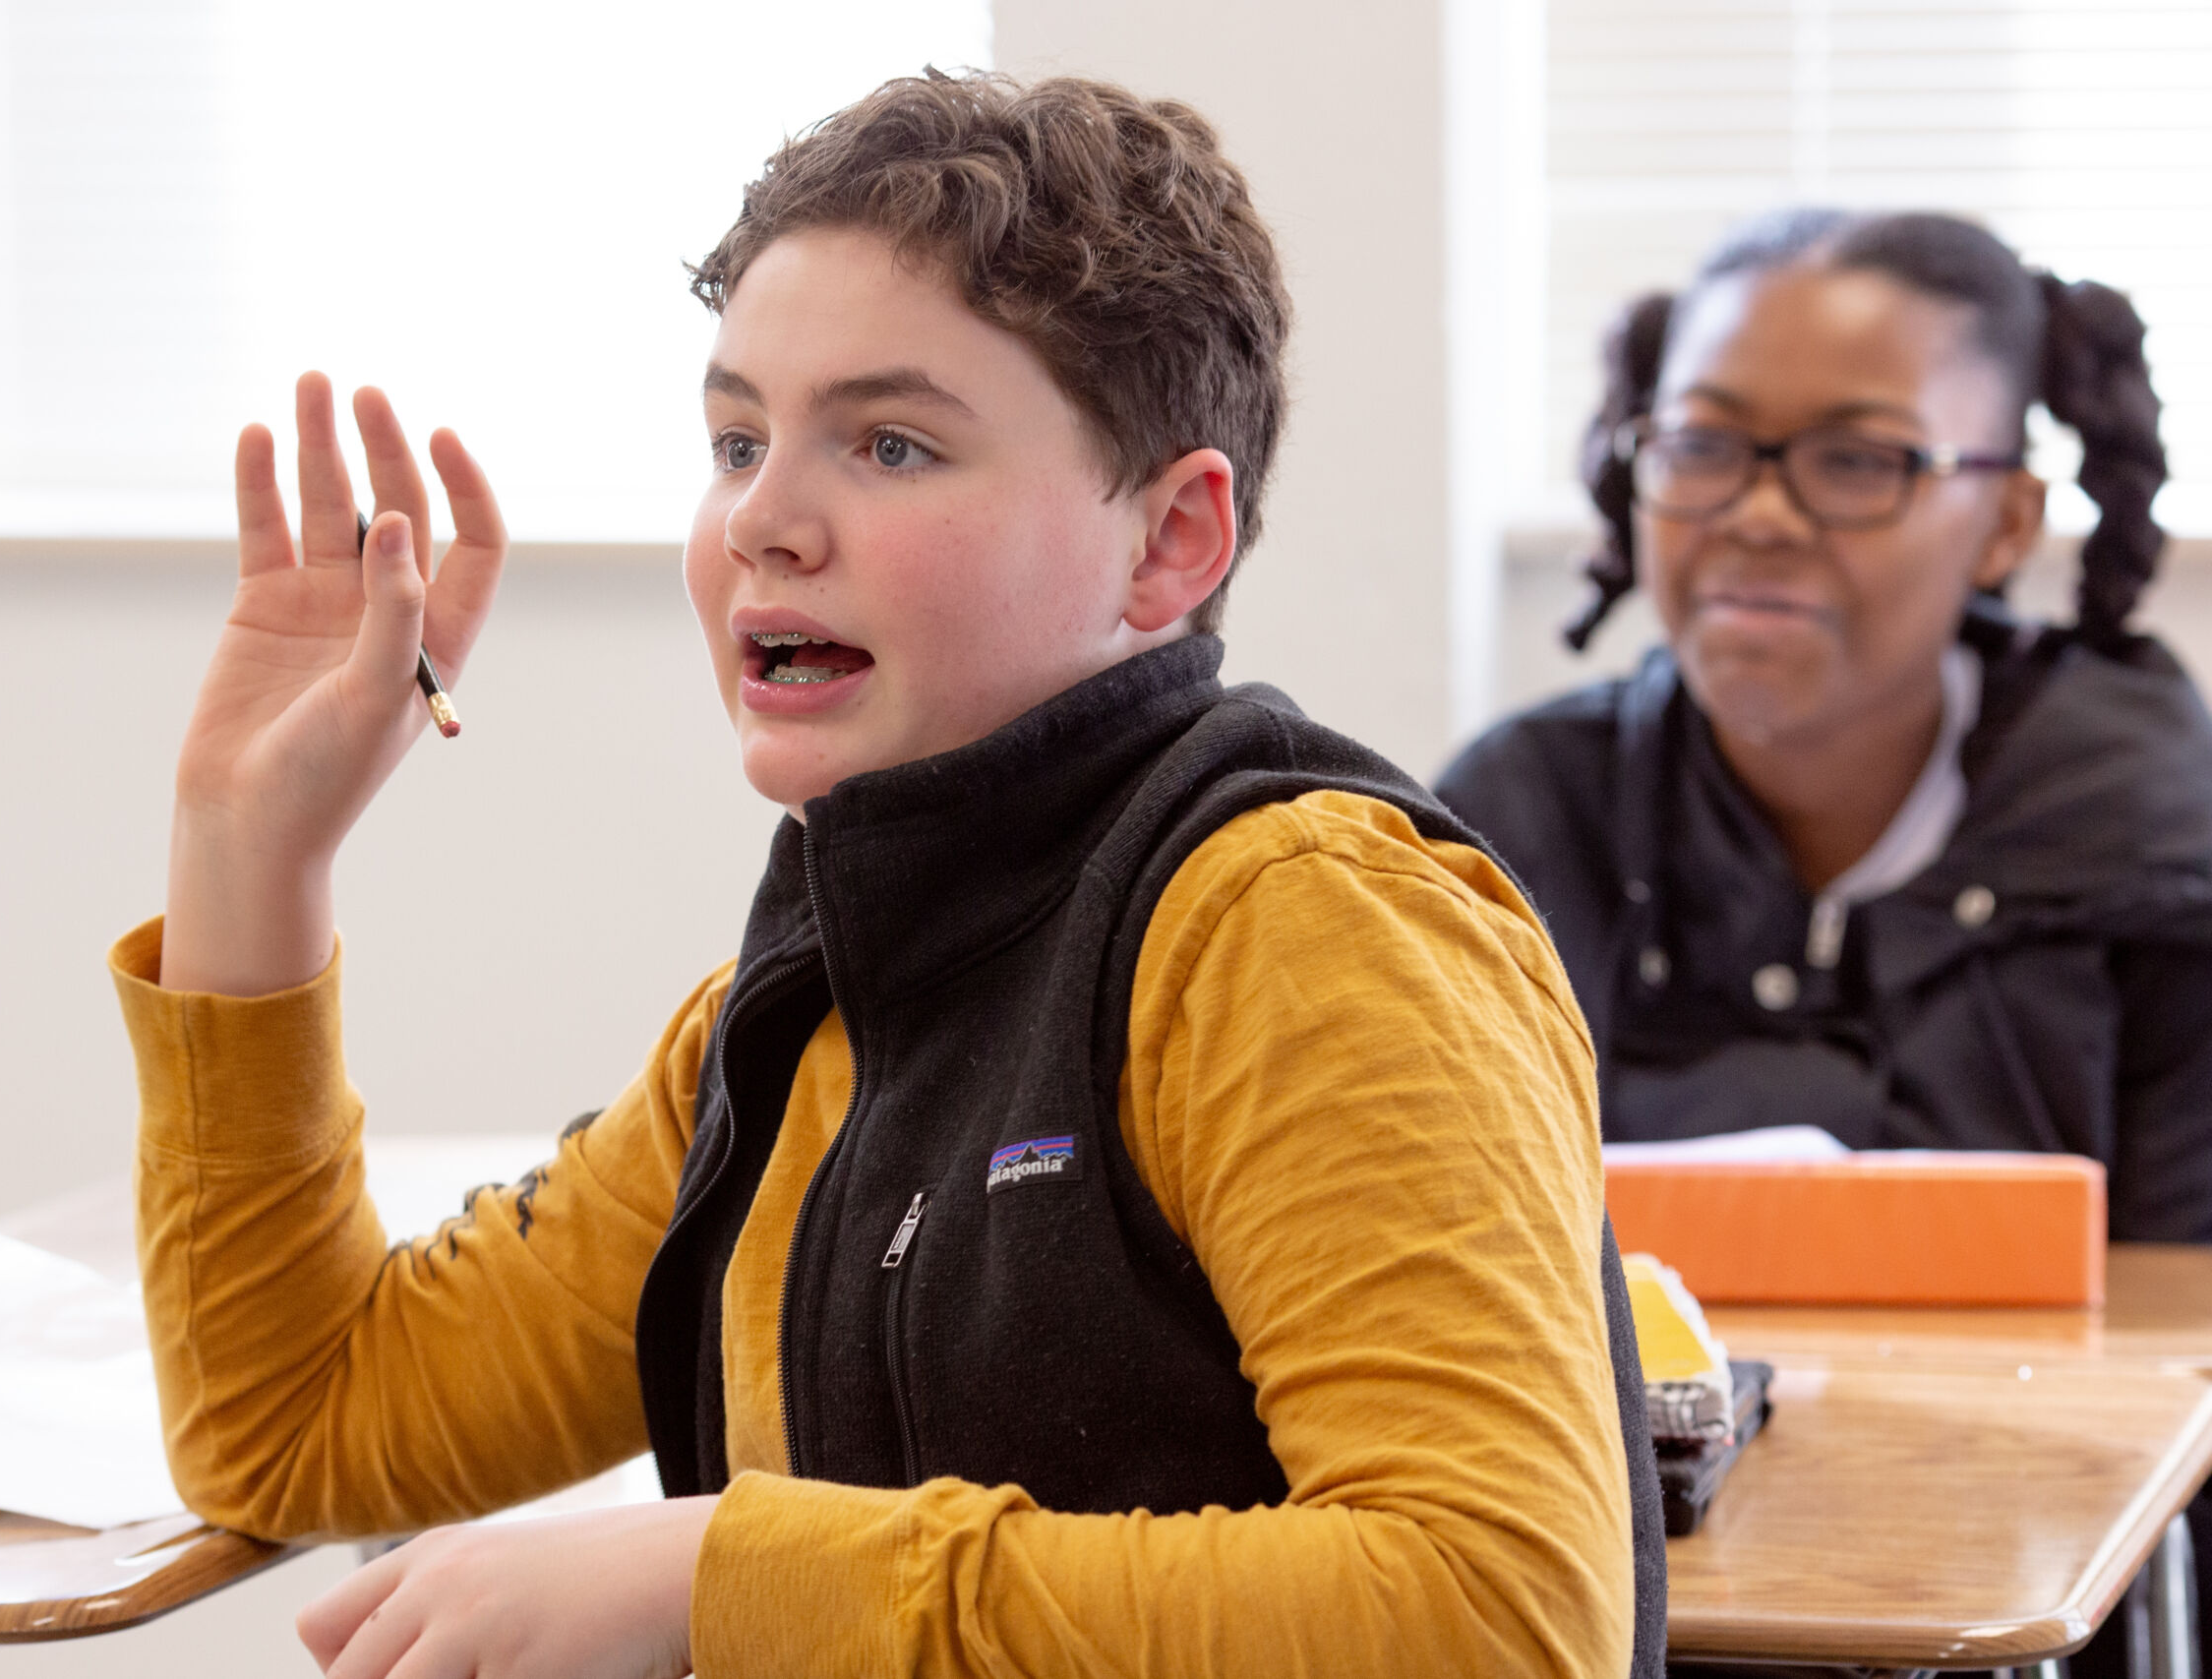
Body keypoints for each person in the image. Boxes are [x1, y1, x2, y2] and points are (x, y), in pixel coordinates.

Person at [108, 70, 1662, 1679]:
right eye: (734, 438)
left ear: (1170, 544)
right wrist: (249, 846)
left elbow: (1501, 1622)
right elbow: (297, 1431)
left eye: (894, 444)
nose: (763, 522)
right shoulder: (796, 1021)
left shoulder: (1304, 922)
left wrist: (724, 1570)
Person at [1436, 209, 2212, 1674]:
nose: (1762, 512)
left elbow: (2187, 1343)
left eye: (1860, 459)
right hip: (1620, 1586)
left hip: (2039, 1598)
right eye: (1707, 445)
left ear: (2005, 520)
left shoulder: (2161, 852)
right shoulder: (1513, 817)